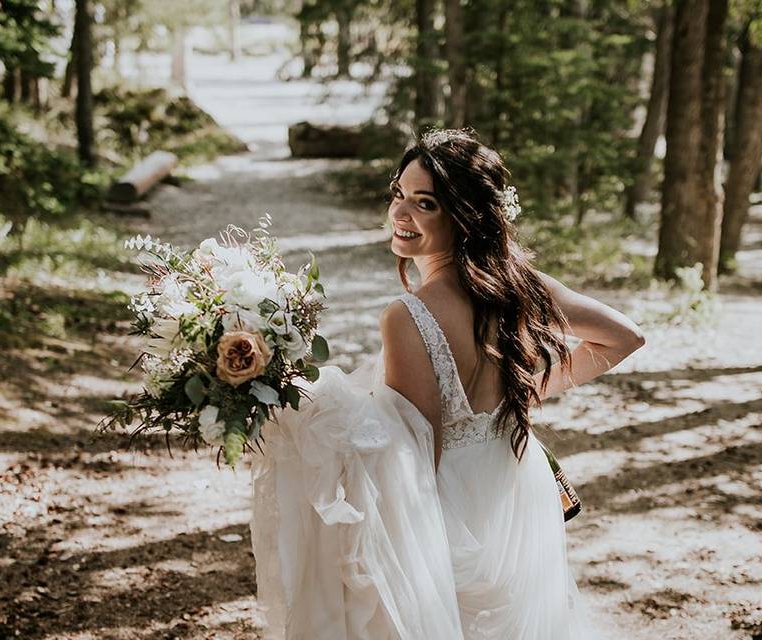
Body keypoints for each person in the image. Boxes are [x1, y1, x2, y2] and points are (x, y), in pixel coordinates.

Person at [250, 128, 646, 640]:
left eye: (425, 203)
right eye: (398, 194)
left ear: (463, 216)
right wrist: (524, 389)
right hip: (509, 483)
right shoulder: (522, 285)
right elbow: (623, 338)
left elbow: (417, 453)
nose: (401, 214)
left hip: (447, 501)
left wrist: (299, 413)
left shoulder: (408, 316)